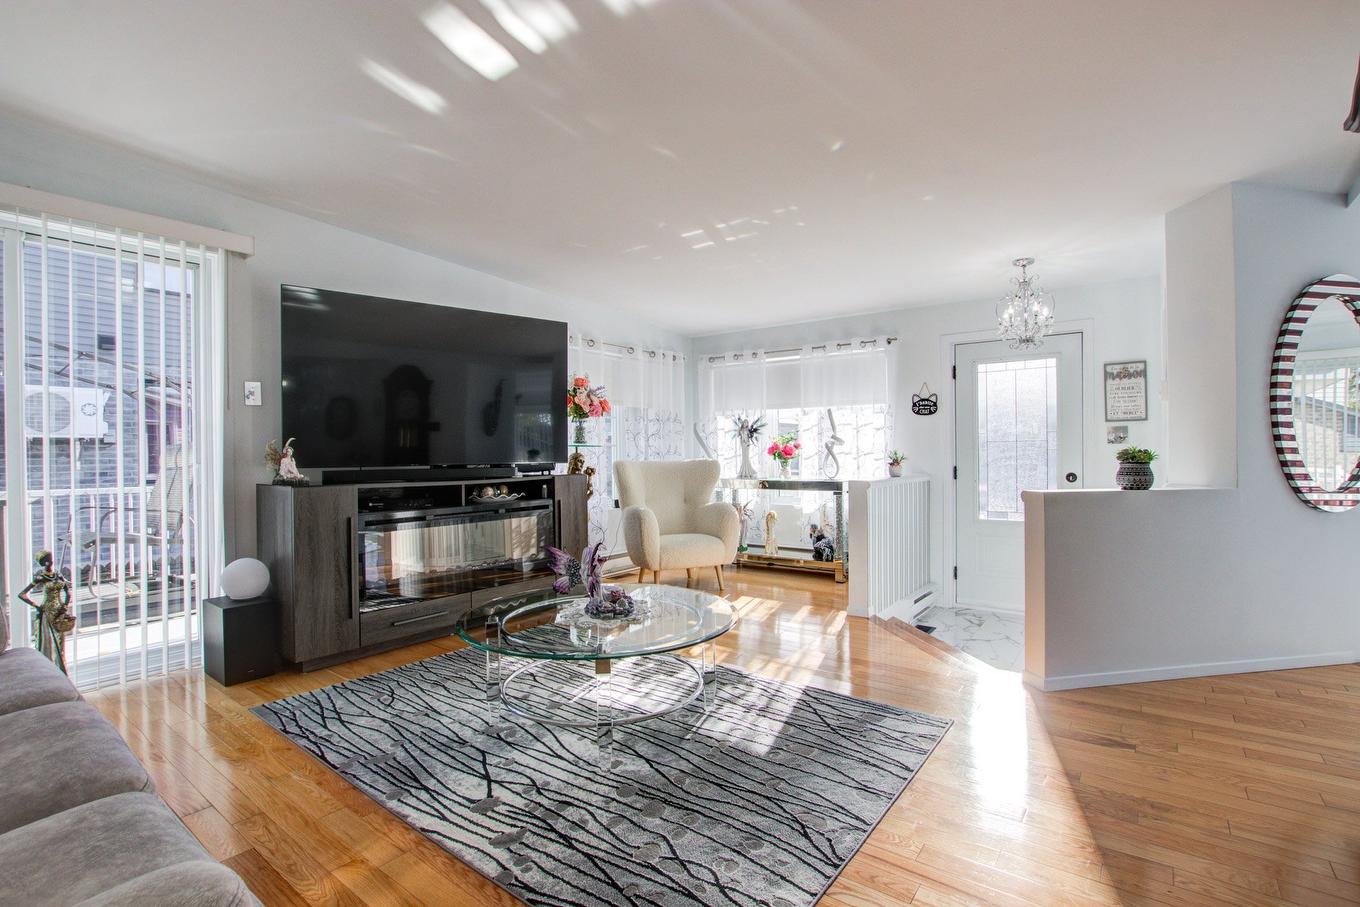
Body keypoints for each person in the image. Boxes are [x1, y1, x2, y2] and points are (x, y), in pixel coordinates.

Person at [17, 550, 75, 674]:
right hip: (47, 613)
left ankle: (61, 670)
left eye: (51, 559)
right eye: (48, 559)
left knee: (60, 643)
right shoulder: (40, 578)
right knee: (49, 641)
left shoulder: (58, 575)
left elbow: (68, 593)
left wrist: (65, 606)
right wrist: (36, 606)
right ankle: (48, 670)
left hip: (59, 612)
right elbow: (22, 594)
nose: (51, 561)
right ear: (44, 562)